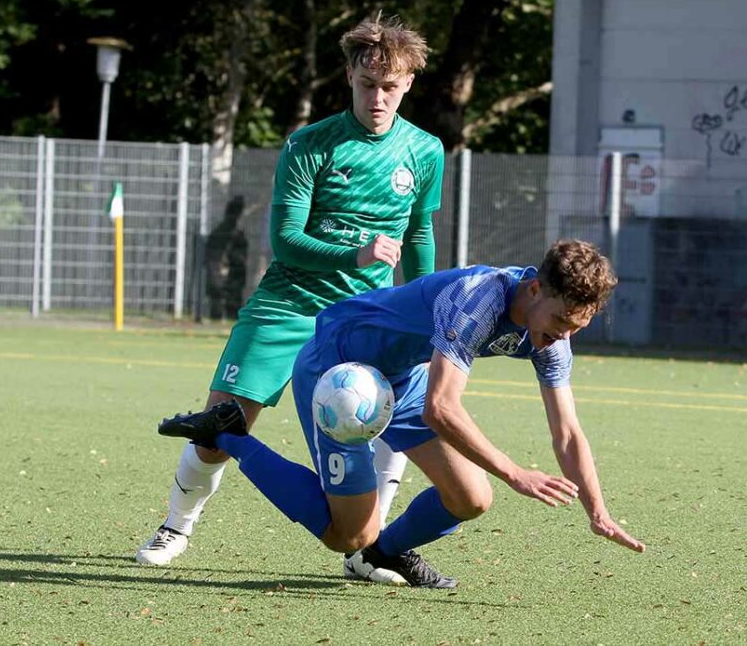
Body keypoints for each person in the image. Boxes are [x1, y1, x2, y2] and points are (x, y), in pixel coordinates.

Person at [157, 239, 647, 588]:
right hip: (341, 368)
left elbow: (568, 434)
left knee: (472, 497)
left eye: (577, 327)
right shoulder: (478, 299)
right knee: (345, 532)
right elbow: (442, 408)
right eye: (562, 321)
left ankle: (380, 555)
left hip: (400, 378)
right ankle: (229, 433)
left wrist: (597, 511)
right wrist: (516, 472)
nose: (564, 335)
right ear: (536, 289)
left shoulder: (552, 335)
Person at [137, 13, 445, 567]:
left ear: (409, 85)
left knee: (389, 424)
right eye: (368, 85)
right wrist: (357, 253)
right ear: (349, 75)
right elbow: (285, 240)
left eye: (391, 88)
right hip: (289, 305)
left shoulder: (424, 150)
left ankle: (368, 550)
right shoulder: (311, 144)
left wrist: (424, 308)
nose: (379, 98)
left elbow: (420, 229)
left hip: (366, 316)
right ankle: (174, 529)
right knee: (219, 426)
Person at [205, 195, 248, 321]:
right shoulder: (225, 232)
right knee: (219, 291)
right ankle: (220, 316)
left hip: (231, 268)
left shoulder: (234, 233)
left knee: (229, 291)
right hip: (223, 268)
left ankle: (226, 315)